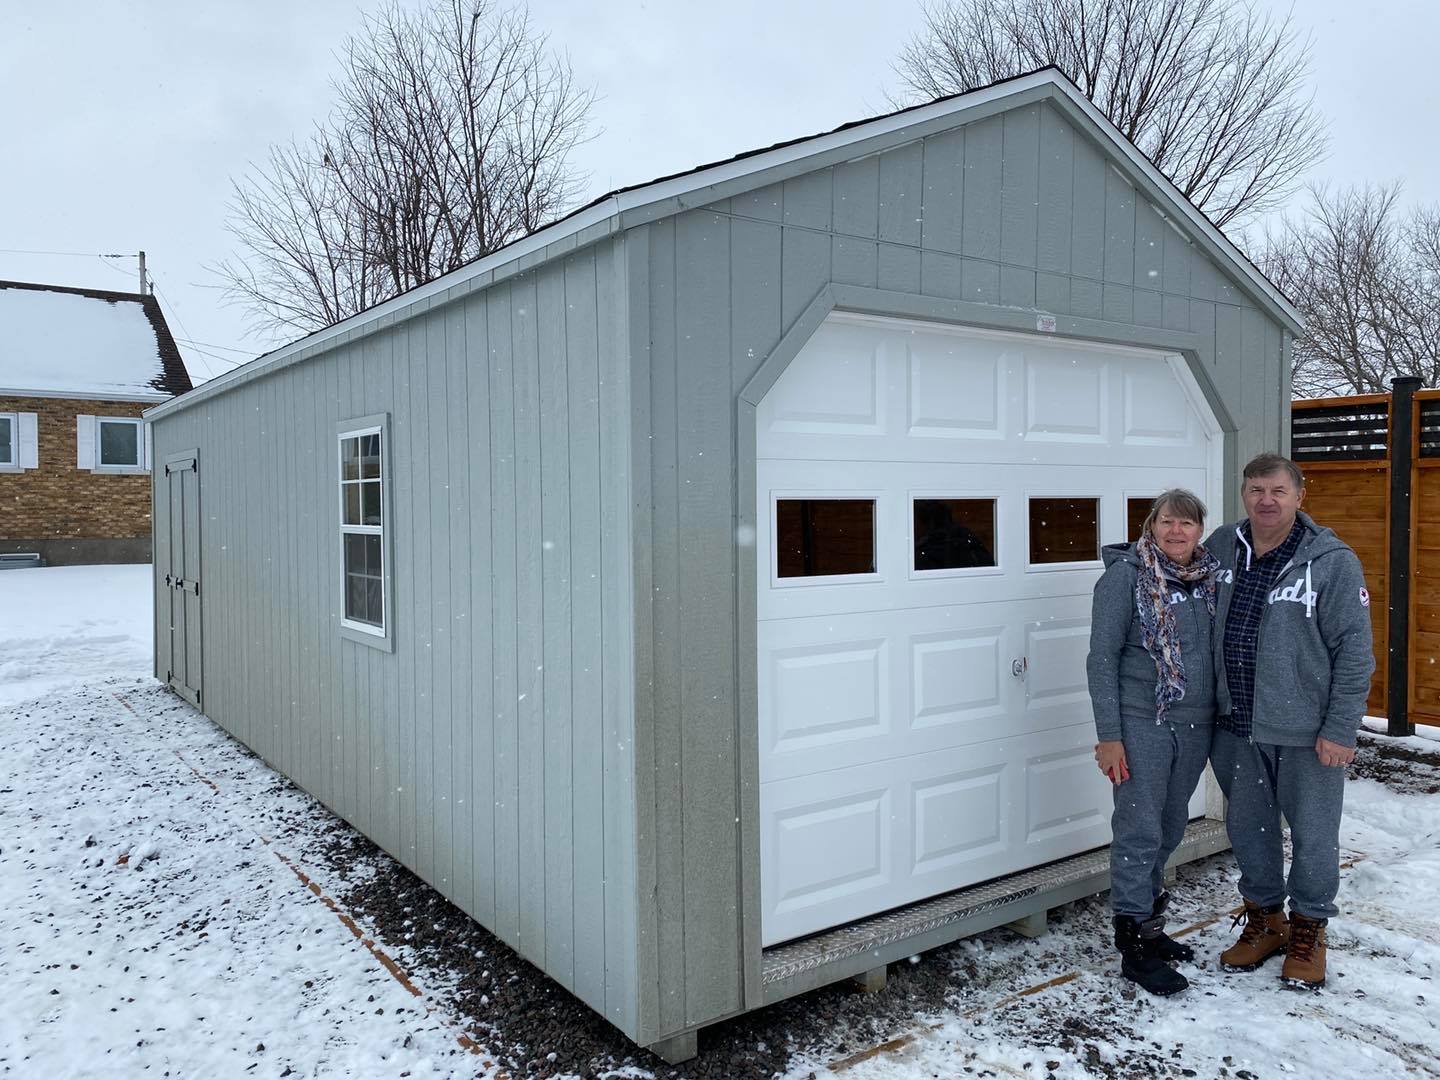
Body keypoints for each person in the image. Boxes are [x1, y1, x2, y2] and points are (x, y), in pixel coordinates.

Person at [1207, 453, 1374, 989]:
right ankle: (1265, 920)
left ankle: (1308, 929)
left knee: (1314, 835)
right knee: (1249, 830)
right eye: (1256, 489)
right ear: (1244, 495)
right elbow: (1169, 567)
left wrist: (1340, 726)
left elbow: (1355, 651)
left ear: (1300, 496)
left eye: (1277, 490)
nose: (1266, 500)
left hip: (1307, 731)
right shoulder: (1220, 548)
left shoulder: (1332, 562)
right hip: (1236, 723)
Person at [1087, 488, 1220, 996]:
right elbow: (1101, 660)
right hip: (1144, 721)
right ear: (1151, 524)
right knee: (1140, 827)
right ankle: (1133, 947)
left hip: (1196, 723)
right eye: (1167, 522)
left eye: (1187, 524)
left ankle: (1150, 925)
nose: (1176, 532)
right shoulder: (1124, 579)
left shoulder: (1207, 578)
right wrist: (1110, 736)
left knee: (1168, 826)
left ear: (1199, 531)